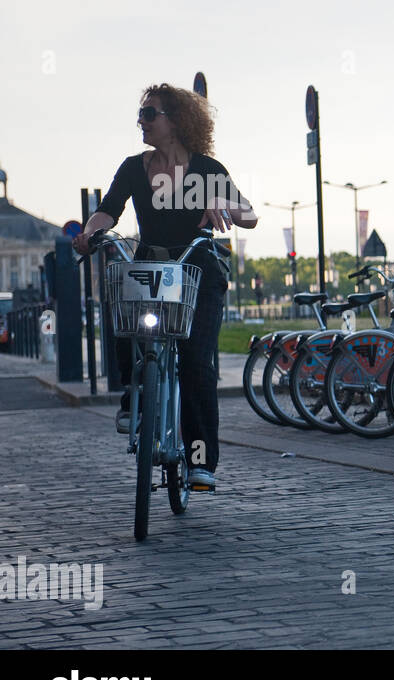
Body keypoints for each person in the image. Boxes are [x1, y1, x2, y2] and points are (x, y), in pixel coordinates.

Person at [73, 83, 257, 490]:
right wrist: (91, 233)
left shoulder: (207, 169)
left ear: (176, 122)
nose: (142, 121)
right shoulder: (132, 167)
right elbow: (108, 211)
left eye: (150, 114)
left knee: (195, 362)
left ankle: (199, 461)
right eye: (140, 115)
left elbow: (250, 215)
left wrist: (224, 204)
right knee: (125, 312)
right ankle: (133, 402)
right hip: (152, 266)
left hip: (197, 270)